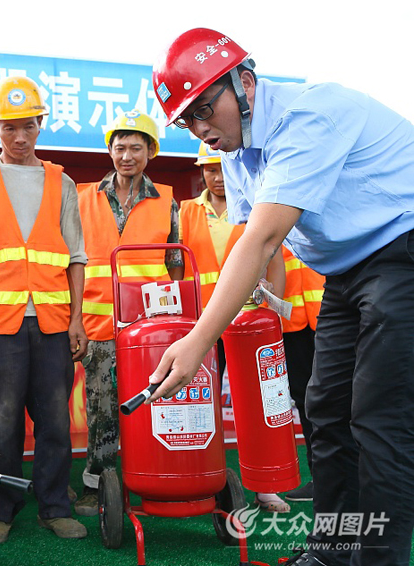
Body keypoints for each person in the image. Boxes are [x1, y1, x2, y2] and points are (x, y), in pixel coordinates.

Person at [150, 28, 414, 566]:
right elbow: (251, 246)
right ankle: (332, 554)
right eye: (187, 121)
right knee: (326, 409)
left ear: (244, 83)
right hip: (347, 271)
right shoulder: (237, 147)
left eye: (204, 109)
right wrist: (256, 304)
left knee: (377, 416)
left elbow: (265, 237)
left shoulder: (309, 115)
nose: (201, 130)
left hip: (402, 249)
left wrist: (200, 341)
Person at [0, 75, 88, 543]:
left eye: (28, 125)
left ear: (40, 123)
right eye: (10, 128)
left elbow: (75, 257)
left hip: (51, 325)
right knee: (2, 422)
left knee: (55, 419)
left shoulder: (62, 182)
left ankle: (54, 505)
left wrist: (76, 321)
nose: (20, 137)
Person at [72, 110, 182, 516]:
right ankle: (95, 485)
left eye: (136, 147)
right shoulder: (84, 198)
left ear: (150, 151)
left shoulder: (167, 201)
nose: (127, 155)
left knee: (149, 405)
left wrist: (172, 325)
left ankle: (151, 478)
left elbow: (175, 265)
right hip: (98, 324)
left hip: (149, 329)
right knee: (101, 408)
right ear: (110, 150)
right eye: (119, 147)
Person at [179, 141, 288, 513]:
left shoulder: (257, 208)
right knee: (202, 407)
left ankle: (265, 486)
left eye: (219, 168)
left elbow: (273, 257)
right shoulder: (186, 212)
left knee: (256, 405)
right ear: (201, 173)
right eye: (208, 169)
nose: (216, 176)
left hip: (246, 324)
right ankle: (205, 481)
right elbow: (177, 268)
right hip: (203, 325)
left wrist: (270, 314)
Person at [280, 248, 324, 503]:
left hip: (337, 315)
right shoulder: (272, 208)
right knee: (307, 400)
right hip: (293, 321)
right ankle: (322, 479)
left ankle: (364, 477)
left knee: (352, 399)